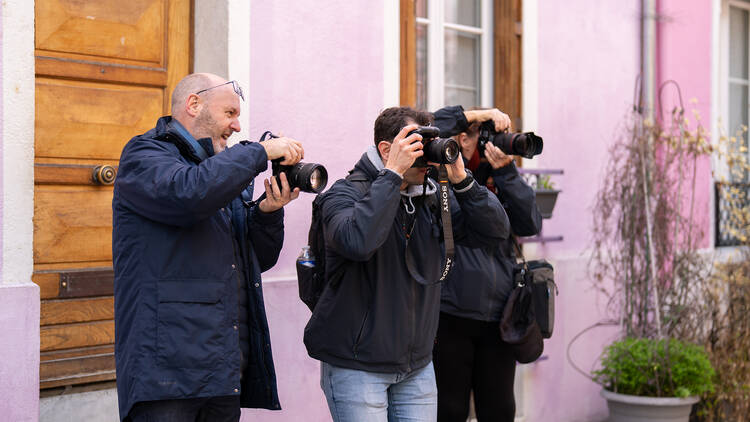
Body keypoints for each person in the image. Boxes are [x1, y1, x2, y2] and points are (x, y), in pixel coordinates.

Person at [112, 73, 303, 422]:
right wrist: (258, 151)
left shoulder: (222, 170)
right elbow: (187, 195)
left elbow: (256, 260)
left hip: (222, 370)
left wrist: (266, 213)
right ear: (193, 104)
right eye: (230, 113)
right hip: (165, 374)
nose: (237, 124)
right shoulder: (144, 154)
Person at [303, 106, 511, 422]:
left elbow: (496, 232)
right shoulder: (343, 194)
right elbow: (359, 242)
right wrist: (393, 175)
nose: (428, 158)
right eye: (417, 147)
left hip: (417, 367)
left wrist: (461, 180)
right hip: (358, 366)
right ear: (387, 150)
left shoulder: (430, 198)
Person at [431, 105, 543, 422]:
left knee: (499, 409)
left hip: (499, 316)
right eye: (480, 133)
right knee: (449, 409)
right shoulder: (441, 170)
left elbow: (530, 224)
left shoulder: (499, 175)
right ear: (463, 138)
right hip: (451, 312)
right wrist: (476, 115)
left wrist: (507, 173)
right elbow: (430, 126)